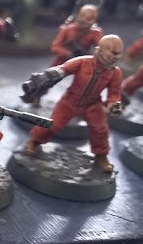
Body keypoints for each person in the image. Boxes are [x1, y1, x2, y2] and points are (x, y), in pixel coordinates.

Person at [24, 35, 123, 172]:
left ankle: (101, 155)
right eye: (113, 53)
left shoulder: (115, 73)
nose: (117, 57)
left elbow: (114, 93)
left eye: (119, 53)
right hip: (70, 101)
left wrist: (114, 104)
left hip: (93, 105)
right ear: (100, 50)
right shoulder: (83, 61)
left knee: (101, 129)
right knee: (52, 124)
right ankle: (34, 141)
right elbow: (64, 69)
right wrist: (50, 75)